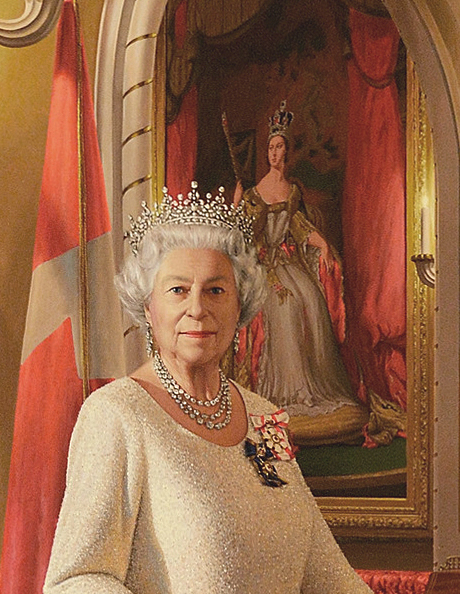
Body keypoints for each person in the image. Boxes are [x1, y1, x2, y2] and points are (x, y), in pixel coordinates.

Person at [43, 184, 372, 594]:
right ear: (149, 307)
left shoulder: (264, 418)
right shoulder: (116, 415)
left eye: (216, 290)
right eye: (178, 290)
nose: (197, 308)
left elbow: (326, 574)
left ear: (241, 307)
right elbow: (76, 580)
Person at [232, 101, 367, 446]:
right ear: (266, 153)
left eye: (280, 147)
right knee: (284, 306)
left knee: (310, 297)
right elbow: (241, 234)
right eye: (271, 147)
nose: (275, 153)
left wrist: (322, 244)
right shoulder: (253, 192)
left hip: (288, 261)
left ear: (287, 153)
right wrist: (237, 206)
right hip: (262, 263)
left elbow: (299, 226)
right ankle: (278, 390)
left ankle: (312, 387)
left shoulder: (292, 190)